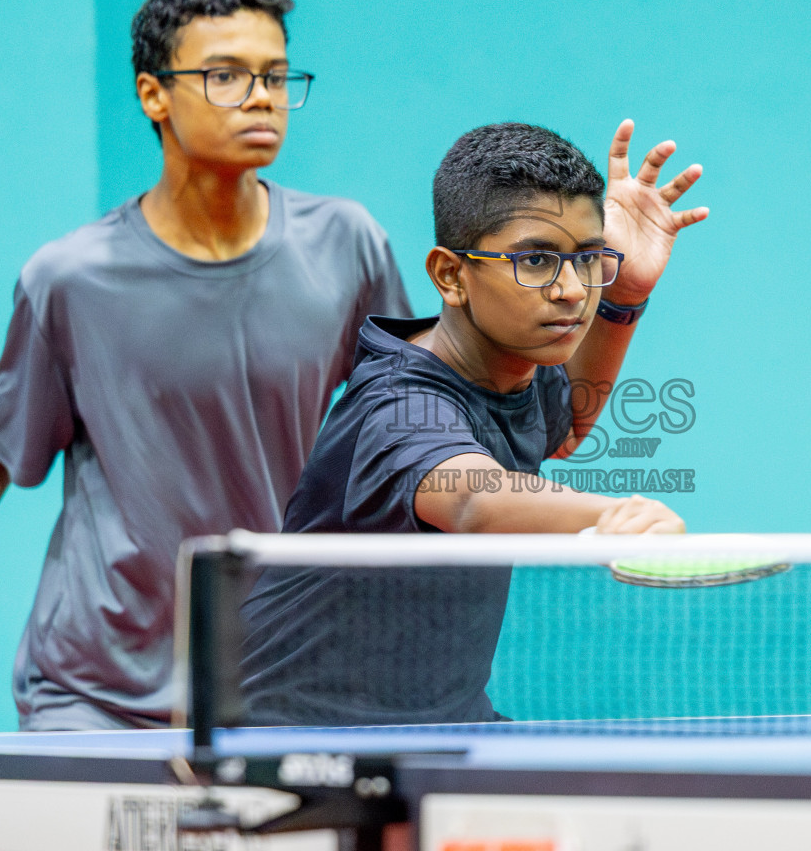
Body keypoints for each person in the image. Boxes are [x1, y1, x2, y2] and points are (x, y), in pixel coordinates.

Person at [0, 0, 412, 730]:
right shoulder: (70, 278)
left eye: (275, 75)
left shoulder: (347, 246)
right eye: (225, 75)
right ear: (153, 95)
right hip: (96, 692)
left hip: (276, 678)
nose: (260, 96)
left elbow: (416, 433)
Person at [240, 120, 706, 725]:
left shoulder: (516, 364)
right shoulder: (400, 403)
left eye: (589, 258)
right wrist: (610, 517)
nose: (571, 290)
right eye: (535, 260)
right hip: (296, 742)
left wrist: (625, 297)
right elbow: (470, 501)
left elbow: (564, 428)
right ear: (451, 275)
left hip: (438, 724)